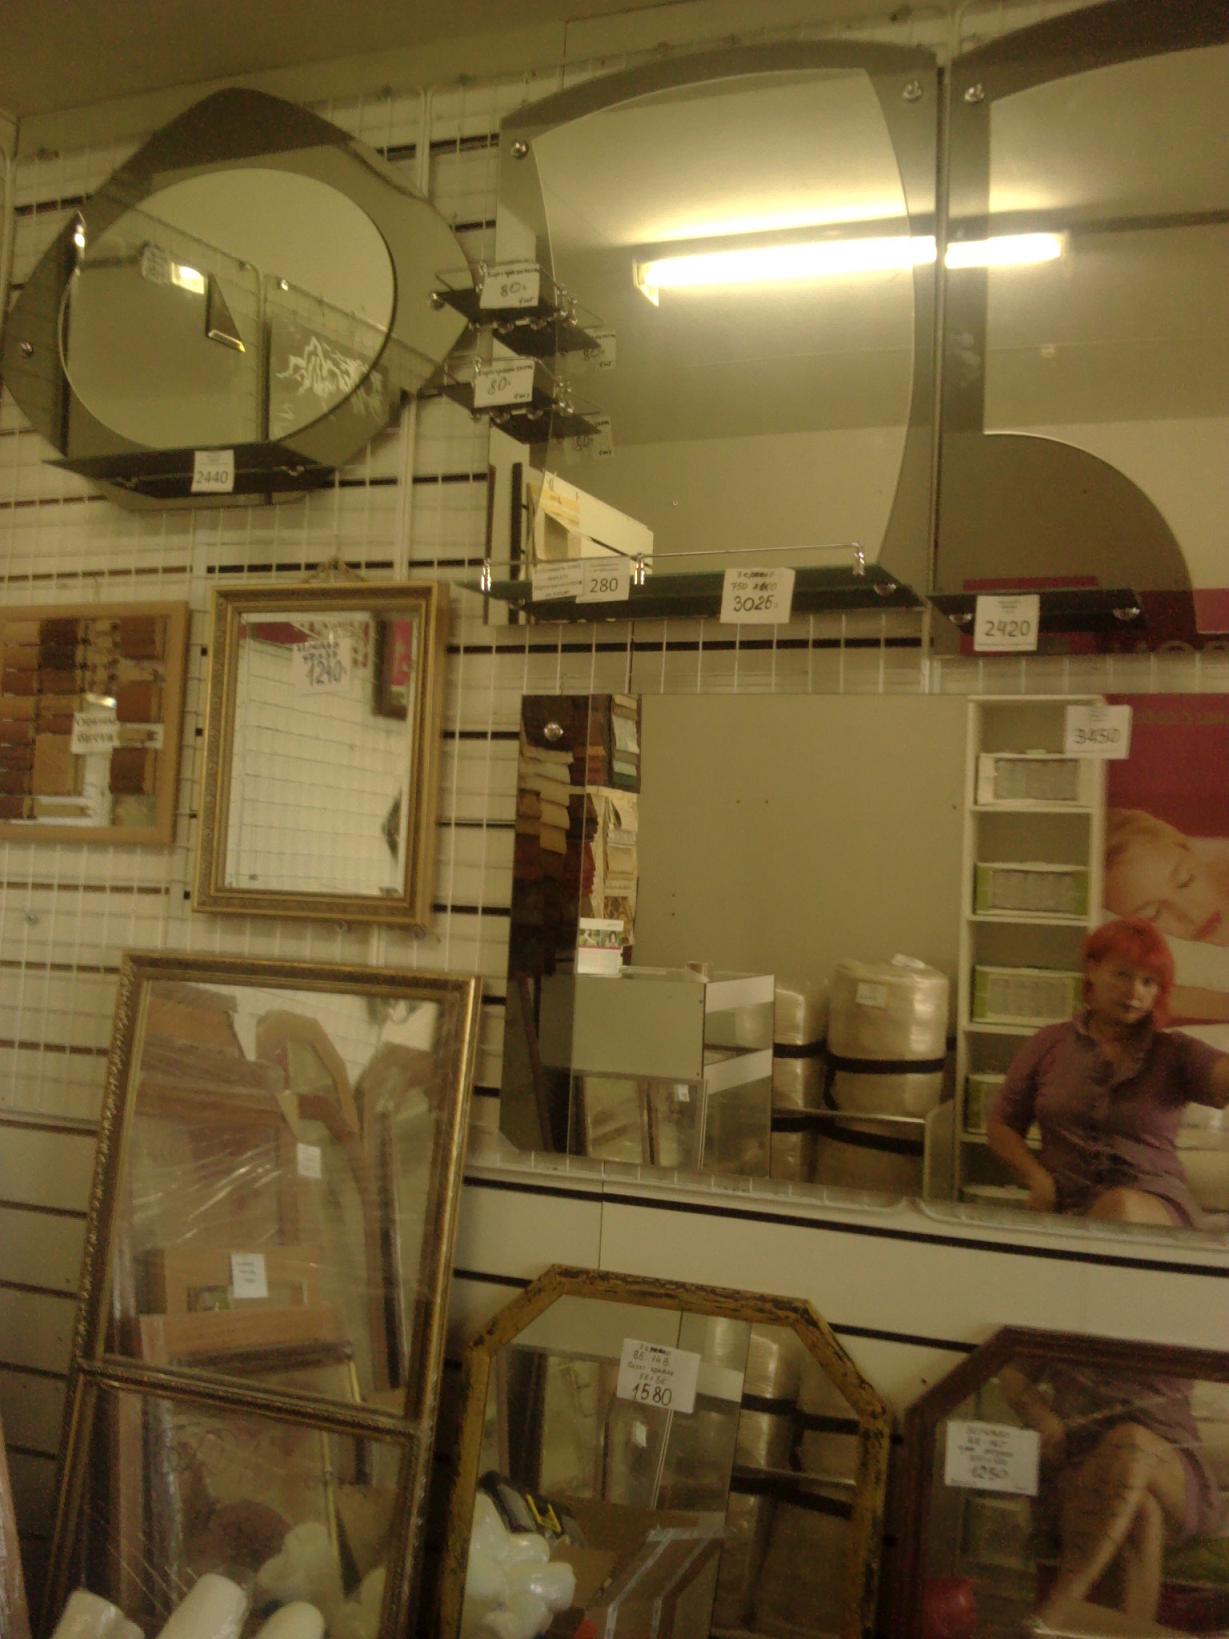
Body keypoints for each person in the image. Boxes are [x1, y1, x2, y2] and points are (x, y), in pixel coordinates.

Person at [986, 917, 1229, 1227]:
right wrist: (1037, 1179)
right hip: (1066, 1206)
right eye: (1122, 975)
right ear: (1092, 970)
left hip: (1153, 1206)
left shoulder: (1175, 1051)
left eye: (1148, 982)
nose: (1134, 991)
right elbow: (1002, 1125)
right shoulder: (1049, 1043)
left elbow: (1221, 1075)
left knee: (1121, 1208)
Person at [998, 1359, 1226, 1631]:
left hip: (1169, 1463)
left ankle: (1060, 1607)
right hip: (1080, 1459)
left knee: (1130, 1441)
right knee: (1142, 1511)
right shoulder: (1071, 1327)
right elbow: (1013, 1375)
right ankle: (1123, 1632)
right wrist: (1039, 1415)